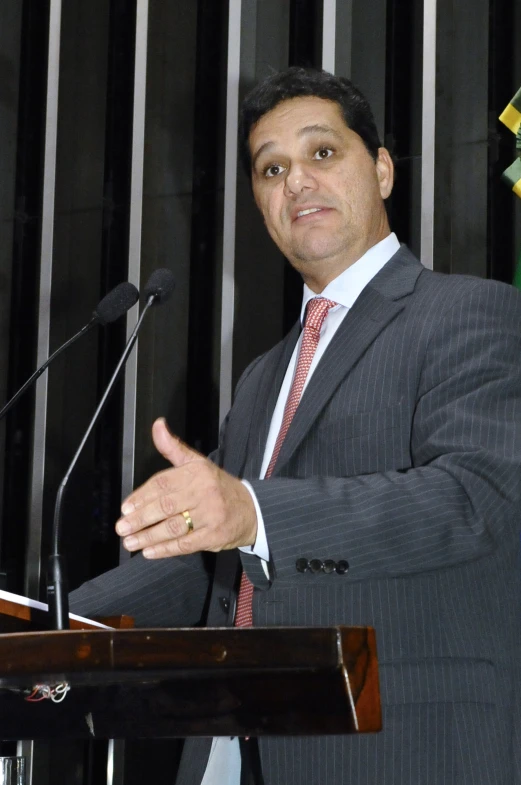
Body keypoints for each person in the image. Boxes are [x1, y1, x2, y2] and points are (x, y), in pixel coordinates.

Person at [71, 67, 521, 785]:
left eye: (321, 154)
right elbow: (209, 561)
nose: (296, 183)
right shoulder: (261, 378)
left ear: (379, 170)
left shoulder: (469, 313)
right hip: (234, 746)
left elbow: (475, 500)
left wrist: (252, 510)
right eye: (271, 168)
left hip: (398, 744)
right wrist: (50, 624)